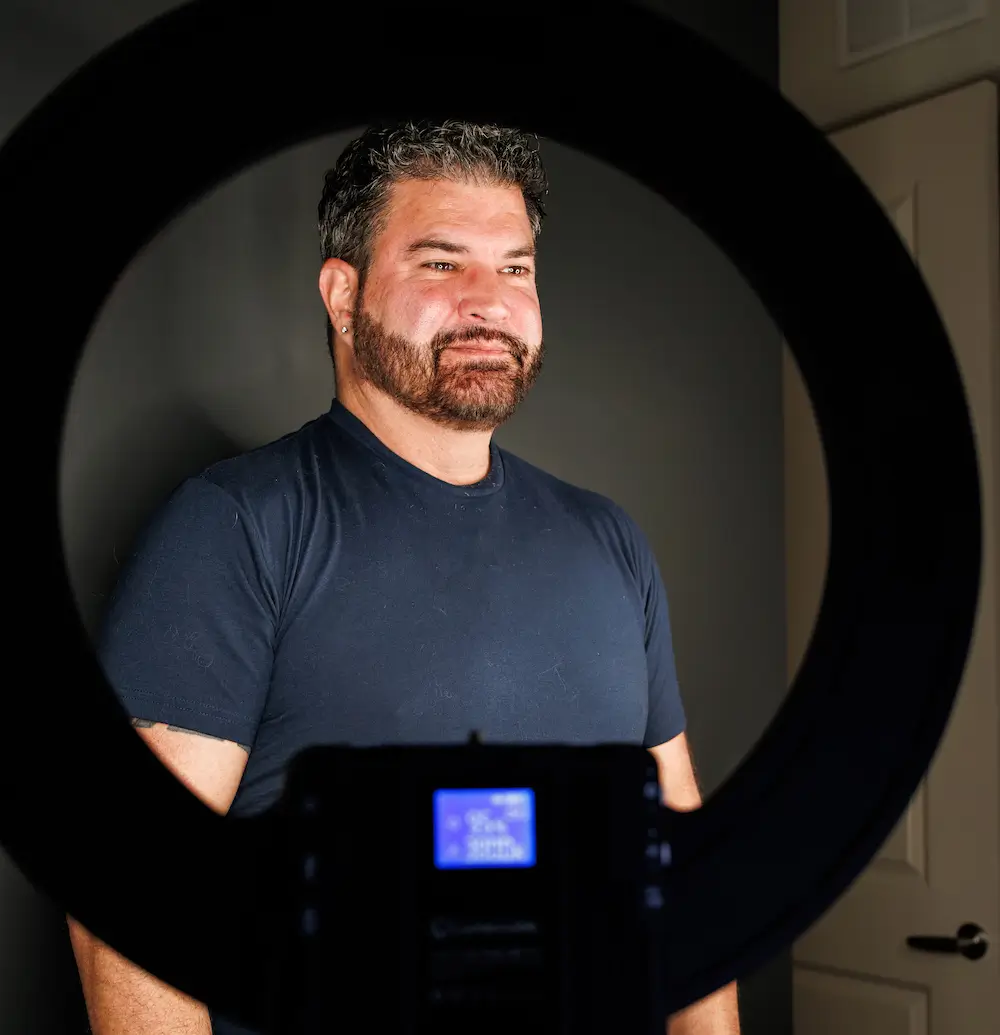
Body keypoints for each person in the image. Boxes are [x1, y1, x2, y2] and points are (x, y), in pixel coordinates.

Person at [67, 120, 740, 1035]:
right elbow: (128, 898)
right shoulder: (237, 530)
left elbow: (684, 875)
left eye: (515, 268)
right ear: (343, 298)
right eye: (439, 263)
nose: (489, 301)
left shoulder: (609, 542)